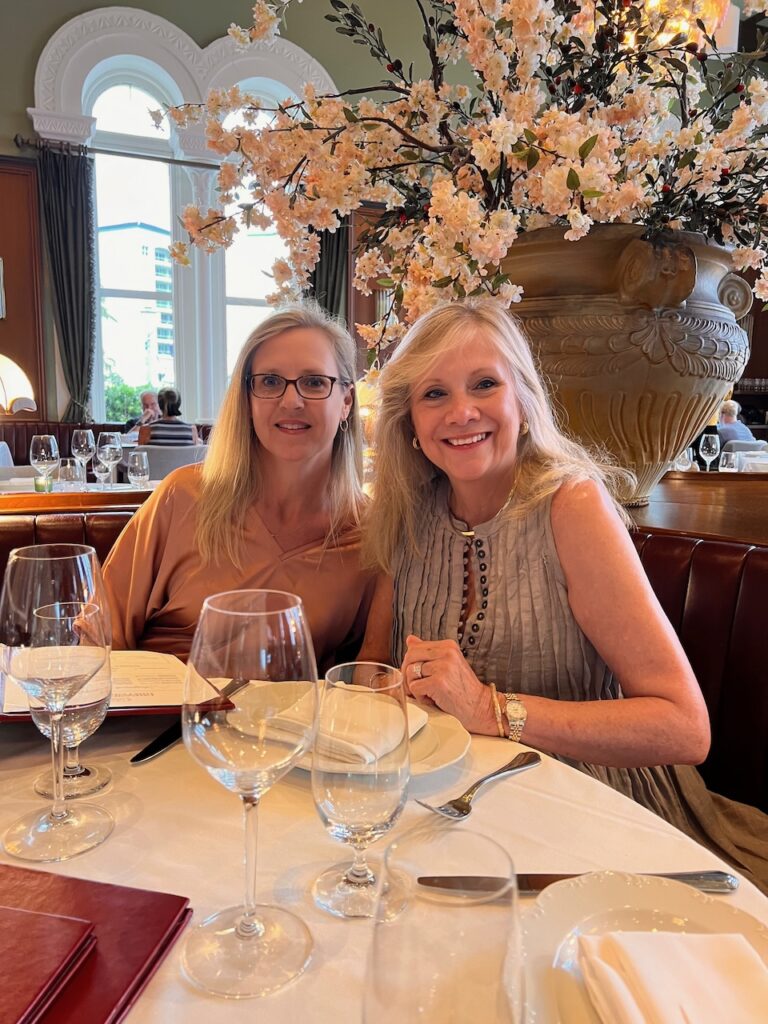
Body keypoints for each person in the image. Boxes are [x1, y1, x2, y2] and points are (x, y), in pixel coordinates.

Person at [360, 299, 768, 892]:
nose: (462, 412)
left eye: (484, 384)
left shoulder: (571, 505)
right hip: (448, 799)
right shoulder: (403, 515)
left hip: (591, 805)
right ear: (410, 424)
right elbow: (371, 673)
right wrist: (389, 688)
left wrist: (491, 711)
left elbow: (685, 727)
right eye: (434, 394)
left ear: (522, 402)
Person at [104, 305, 375, 671]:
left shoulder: (371, 533)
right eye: (269, 382)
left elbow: (370, 676)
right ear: (246, 400)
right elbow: (101, 636)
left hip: (292, 724)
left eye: (314, 382)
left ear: (346, 401)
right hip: (159, 718)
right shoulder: (182, 496)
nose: (291, 401)